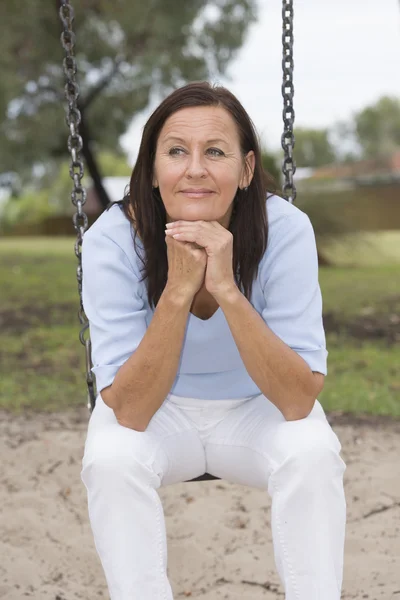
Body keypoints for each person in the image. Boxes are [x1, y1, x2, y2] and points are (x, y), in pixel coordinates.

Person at [80, 81, 347, 600]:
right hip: (159, 412)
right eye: (176, 151)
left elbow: (296, 399)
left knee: (314, 452)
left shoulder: (286, 231)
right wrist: (178, 293)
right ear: (153, 170)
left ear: (246, 170)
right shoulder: (111, 241)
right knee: (111, 459)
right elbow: (130, 411)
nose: (195, 169)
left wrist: (225, 288)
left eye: (216, 152)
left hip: (258, 408)